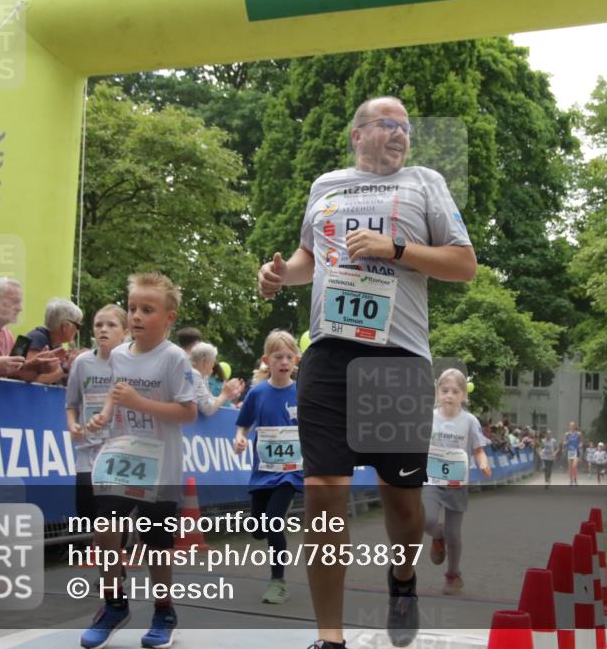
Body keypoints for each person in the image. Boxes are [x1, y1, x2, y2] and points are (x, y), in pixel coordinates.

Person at [257, 95, 476, 649]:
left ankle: (402, 581)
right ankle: (330, 638)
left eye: (405, 125)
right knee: (323, 495)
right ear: (358, 134)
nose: (401, 133)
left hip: (396, 359)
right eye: (387, 124)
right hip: (329, 355)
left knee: (402, 501)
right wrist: (283, 274)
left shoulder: (426, 182)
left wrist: (396, 247)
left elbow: (463, 264)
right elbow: (310, 257)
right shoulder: (325, 185)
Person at [82, 272, 197, 649]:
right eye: (132, 308)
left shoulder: (175, 358)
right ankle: (114, 604)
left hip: (161, 463)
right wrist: (106, 412)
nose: (136, 316)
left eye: (148, 309)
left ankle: (164, 611)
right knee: (105, 529)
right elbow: (118, 392)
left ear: (169, 318)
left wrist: (138, 403)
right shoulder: (117, 354)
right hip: (123, 453)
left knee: (156, 544)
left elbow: (188, 412)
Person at [232, 330, 304, 604]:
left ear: (295, 359)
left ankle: (278, 581)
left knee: (274, 524)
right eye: (278, 357)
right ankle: (261, 527)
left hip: (290, 472)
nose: (284, 361)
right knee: (258, 527)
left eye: (288, 356)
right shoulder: (258, 393)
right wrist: (239, 438)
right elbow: (244, 423)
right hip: (263, 471)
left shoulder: (301, 391)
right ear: (267, 360)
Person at [422, 368, 491, 596]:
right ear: (437, 392)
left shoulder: (469, 420)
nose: (449, 395)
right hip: (431, 479)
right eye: (445, 390)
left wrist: (483, 463)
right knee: (427, 520)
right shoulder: (428, 416)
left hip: (457, 483)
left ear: (463, 395)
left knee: (454, 534)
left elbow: (478, 449)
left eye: (455, 391)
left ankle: (453, 575)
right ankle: (437, 535)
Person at [65, 304, 128, 527]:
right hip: (87, 450)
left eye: (111, 325)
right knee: (87, 514)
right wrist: (73, 424)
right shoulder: (82, 363)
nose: (104, 330)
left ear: (125, 332)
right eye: (99, 325)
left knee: (111, 517)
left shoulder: (131, 363)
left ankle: (116, 557)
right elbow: (71, 403)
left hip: (119, 450)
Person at [24, 297, 85, 385]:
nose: (77, 331)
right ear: (65, 326)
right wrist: (66, 368)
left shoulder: (55, 343)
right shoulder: (37, 338)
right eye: (78, 326)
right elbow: (33, 379)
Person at [189, 341, 243, 416]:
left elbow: (208, 400)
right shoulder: (194, 375)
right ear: (205, 362)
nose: (214, 365)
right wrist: (225, 394)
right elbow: (208, 408)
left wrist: (228, 394)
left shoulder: (196, 375)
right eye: (213, 361)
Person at [563, 421, 582, 486]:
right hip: (570, 451)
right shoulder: (567, 434)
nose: (571, 426)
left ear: (575, 426)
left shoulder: (578, 434)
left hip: (576, 451)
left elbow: (581, 442)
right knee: (570, 467)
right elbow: (564, 442)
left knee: (574, 466)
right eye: (570, 425)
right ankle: (571, 481)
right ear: (569, 426)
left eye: (573, 425)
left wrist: (580, 445)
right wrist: (566, 442)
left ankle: (575, 479)